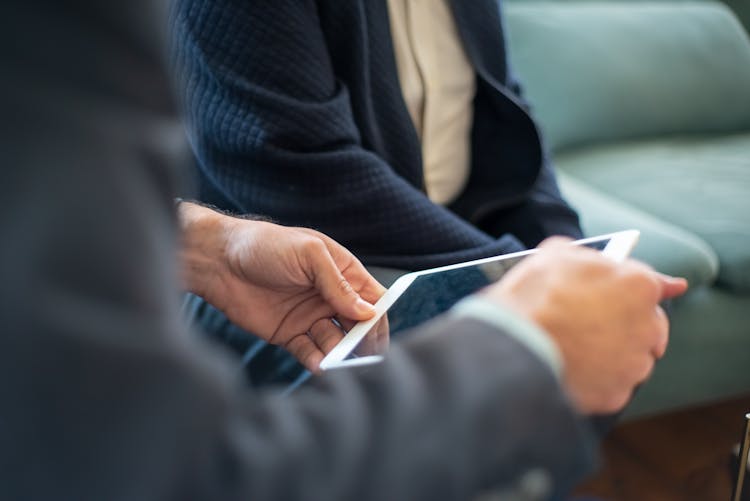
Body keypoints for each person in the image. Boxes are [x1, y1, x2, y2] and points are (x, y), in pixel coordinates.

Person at [1, 1, 687, 500]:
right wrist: (522, 342)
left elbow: (509, 114)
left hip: (278, 250)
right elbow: (158, 472)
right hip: (345, 237)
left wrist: (207, 243)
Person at [172, 0, 586, 381]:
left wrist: (565, 246)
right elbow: (299, 166)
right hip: (295, 247)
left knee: (590, 322)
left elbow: (505, 104)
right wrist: (506, 270)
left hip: (448, 227)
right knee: (505, 370)